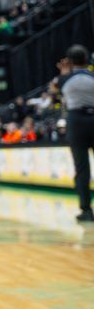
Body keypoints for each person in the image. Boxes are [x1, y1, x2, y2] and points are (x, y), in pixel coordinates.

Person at [56, 44, 94, 222]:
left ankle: (86, 210)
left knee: (82, 168)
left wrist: (64, 71)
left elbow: (56, 89)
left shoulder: (64, 79)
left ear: (70, 61)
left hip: (76, 122)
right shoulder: (92, 76)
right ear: (87, 60)